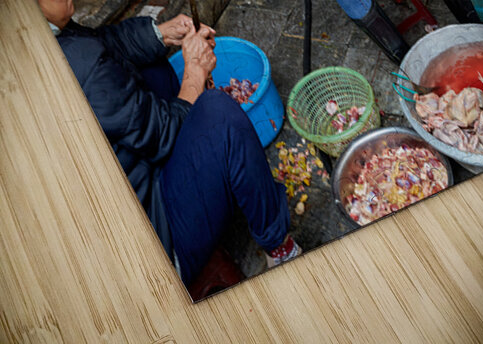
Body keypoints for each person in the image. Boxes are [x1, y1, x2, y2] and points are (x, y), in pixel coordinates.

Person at [38, 0, 301, 287]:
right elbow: (161, 132)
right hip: (153, 246)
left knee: (149, 62)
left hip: (138, 179)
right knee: (219, 113)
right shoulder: (73, 63)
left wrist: (161, 33)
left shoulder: (46, 37)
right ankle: (280, 249)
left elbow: (103, 45)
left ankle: (204, 169)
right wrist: (195, 73)